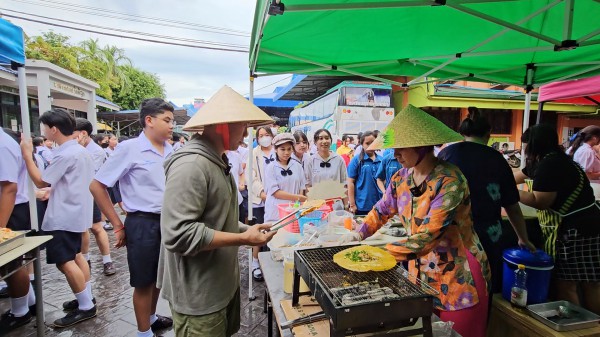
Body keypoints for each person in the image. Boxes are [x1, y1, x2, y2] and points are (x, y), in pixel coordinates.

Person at [349, 105, 491, 337]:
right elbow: (382, 210)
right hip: (420, 274)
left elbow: (427, 237)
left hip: (459, 277)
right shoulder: (400, 178)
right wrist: (358, 233)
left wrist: (373, 257)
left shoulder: (450, 180)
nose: (395, 154)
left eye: (401, 148)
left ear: (423, 146)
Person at [158, 85, 276, 337]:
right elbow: (178, 234)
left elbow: (221, 220)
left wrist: (248, 229)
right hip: (198, 294)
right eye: (242, 126)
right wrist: (244, 238)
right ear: (222, 125)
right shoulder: (191, 165)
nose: (246, 134)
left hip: (221, 284)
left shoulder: (219, 160)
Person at [90, 98, 175, 337]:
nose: (171, 126)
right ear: (149, 120)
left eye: (172, 121)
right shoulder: (130, 149)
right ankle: (143, 333)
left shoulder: (170, 149)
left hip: (167, 221)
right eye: (167, 120)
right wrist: (117, 224)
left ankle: (150, 318)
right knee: (143, 281)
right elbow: (97, 186)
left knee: (158, 277)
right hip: (142, 222)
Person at [438, 107, 535, 297]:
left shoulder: (446, 155)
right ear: (488, 133)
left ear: (462, 132)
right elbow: (512, 206)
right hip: (487, 236)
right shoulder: (496, 159)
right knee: (483, 286)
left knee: (450, 286)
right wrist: (523, 238)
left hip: (450, 233)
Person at [20, 108, 97, 327]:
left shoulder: (66, 153)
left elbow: (42, 181)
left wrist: (27, 156)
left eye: (45, 128)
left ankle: (86, 307)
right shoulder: (79, 151)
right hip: (75, 211)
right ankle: (85, 297)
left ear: (54, 129)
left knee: (65, 262)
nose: (43, 132)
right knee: (76, 256)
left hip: (64, 214)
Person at [515, 124, 600, 315]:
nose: (524, 149)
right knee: (590, 282)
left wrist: (508, 192)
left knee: (569, 283)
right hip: (589, 225)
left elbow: (540, 201)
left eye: (526, 145)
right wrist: (498, 179)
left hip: (577, 230)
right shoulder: (550, 159)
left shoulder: (550, 165)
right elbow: (515, 177)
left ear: (534, 145)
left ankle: (580, 328)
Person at [0, 128, 37, 334]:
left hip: (11, 209)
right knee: (11, 264)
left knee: (12, 263)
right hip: (11, 208)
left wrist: (1, 227)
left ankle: (20, 312)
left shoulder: (3, 145)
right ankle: (27, 303)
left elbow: (9, 188)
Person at [73, 118, 116, 277]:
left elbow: (90, 177)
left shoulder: (95, 151)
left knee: (97, 227)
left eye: (73, 134)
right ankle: (86, 260)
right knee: (83, 228)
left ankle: (107, 261)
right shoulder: (78, 149)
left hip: (90, 194)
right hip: (79, 194)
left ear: (83, 133)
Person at [249, 125, 275, 281]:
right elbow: (251, 176)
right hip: (260, 200)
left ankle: (272, 259)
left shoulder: (277, 151)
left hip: (276, 198)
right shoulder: (253, 154)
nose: (264, 137)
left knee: (273, 230)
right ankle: (255, 262)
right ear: (257, 138)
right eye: (261, 135)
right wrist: (262, 194)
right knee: (258, 231)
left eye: (267, 134)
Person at [264, 133, 308, 223]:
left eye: (289, 149)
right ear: (275, 149)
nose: (286, 153)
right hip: (275, 212)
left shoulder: (297, 166)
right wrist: (298, 197)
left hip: (293, 211)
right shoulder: (271, 167)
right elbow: (275, 192)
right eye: (282, 149)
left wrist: (297, 205)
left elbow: (301, 188)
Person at [347, 131, 382, 215]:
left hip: (379, 205)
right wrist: (352, 204)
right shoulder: (357, 160)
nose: (370, 145)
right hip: (362, 206)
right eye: (367, 143)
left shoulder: (382, 160)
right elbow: (350, 182)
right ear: (362, 144)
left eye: (373, 142)